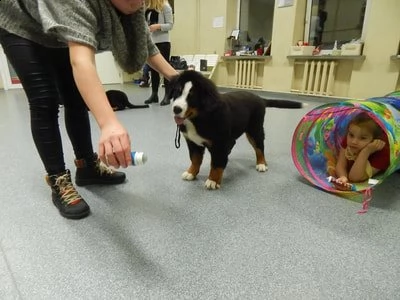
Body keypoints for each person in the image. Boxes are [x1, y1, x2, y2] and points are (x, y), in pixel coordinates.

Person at [0, 0, 178, 219]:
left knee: (75, 98)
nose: (139, 1)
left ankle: (87, 167)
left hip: (58, 31)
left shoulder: (133, 5)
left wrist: (179, 79)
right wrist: (109, 123)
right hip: (22, 22)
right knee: (44, 100)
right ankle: (58, 179)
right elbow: (82, 63)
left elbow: (146, 47)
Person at [334, 112, 390, 189]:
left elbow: (355, 177)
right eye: (351, 135)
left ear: (374, 140)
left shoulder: (382, 153)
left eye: (363, 138)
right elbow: (341, 164)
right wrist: (343, 177)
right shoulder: (349, 141)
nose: (354, 142)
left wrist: (366, 151)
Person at [143, 0, 174, 106]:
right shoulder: (147, 9)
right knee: (153, 69)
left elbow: (170, 25)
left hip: (163, 42)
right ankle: (154, 94)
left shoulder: (165, 7)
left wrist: (157, 26)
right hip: (151, 42)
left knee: (165, 69)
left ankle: (167, 96)